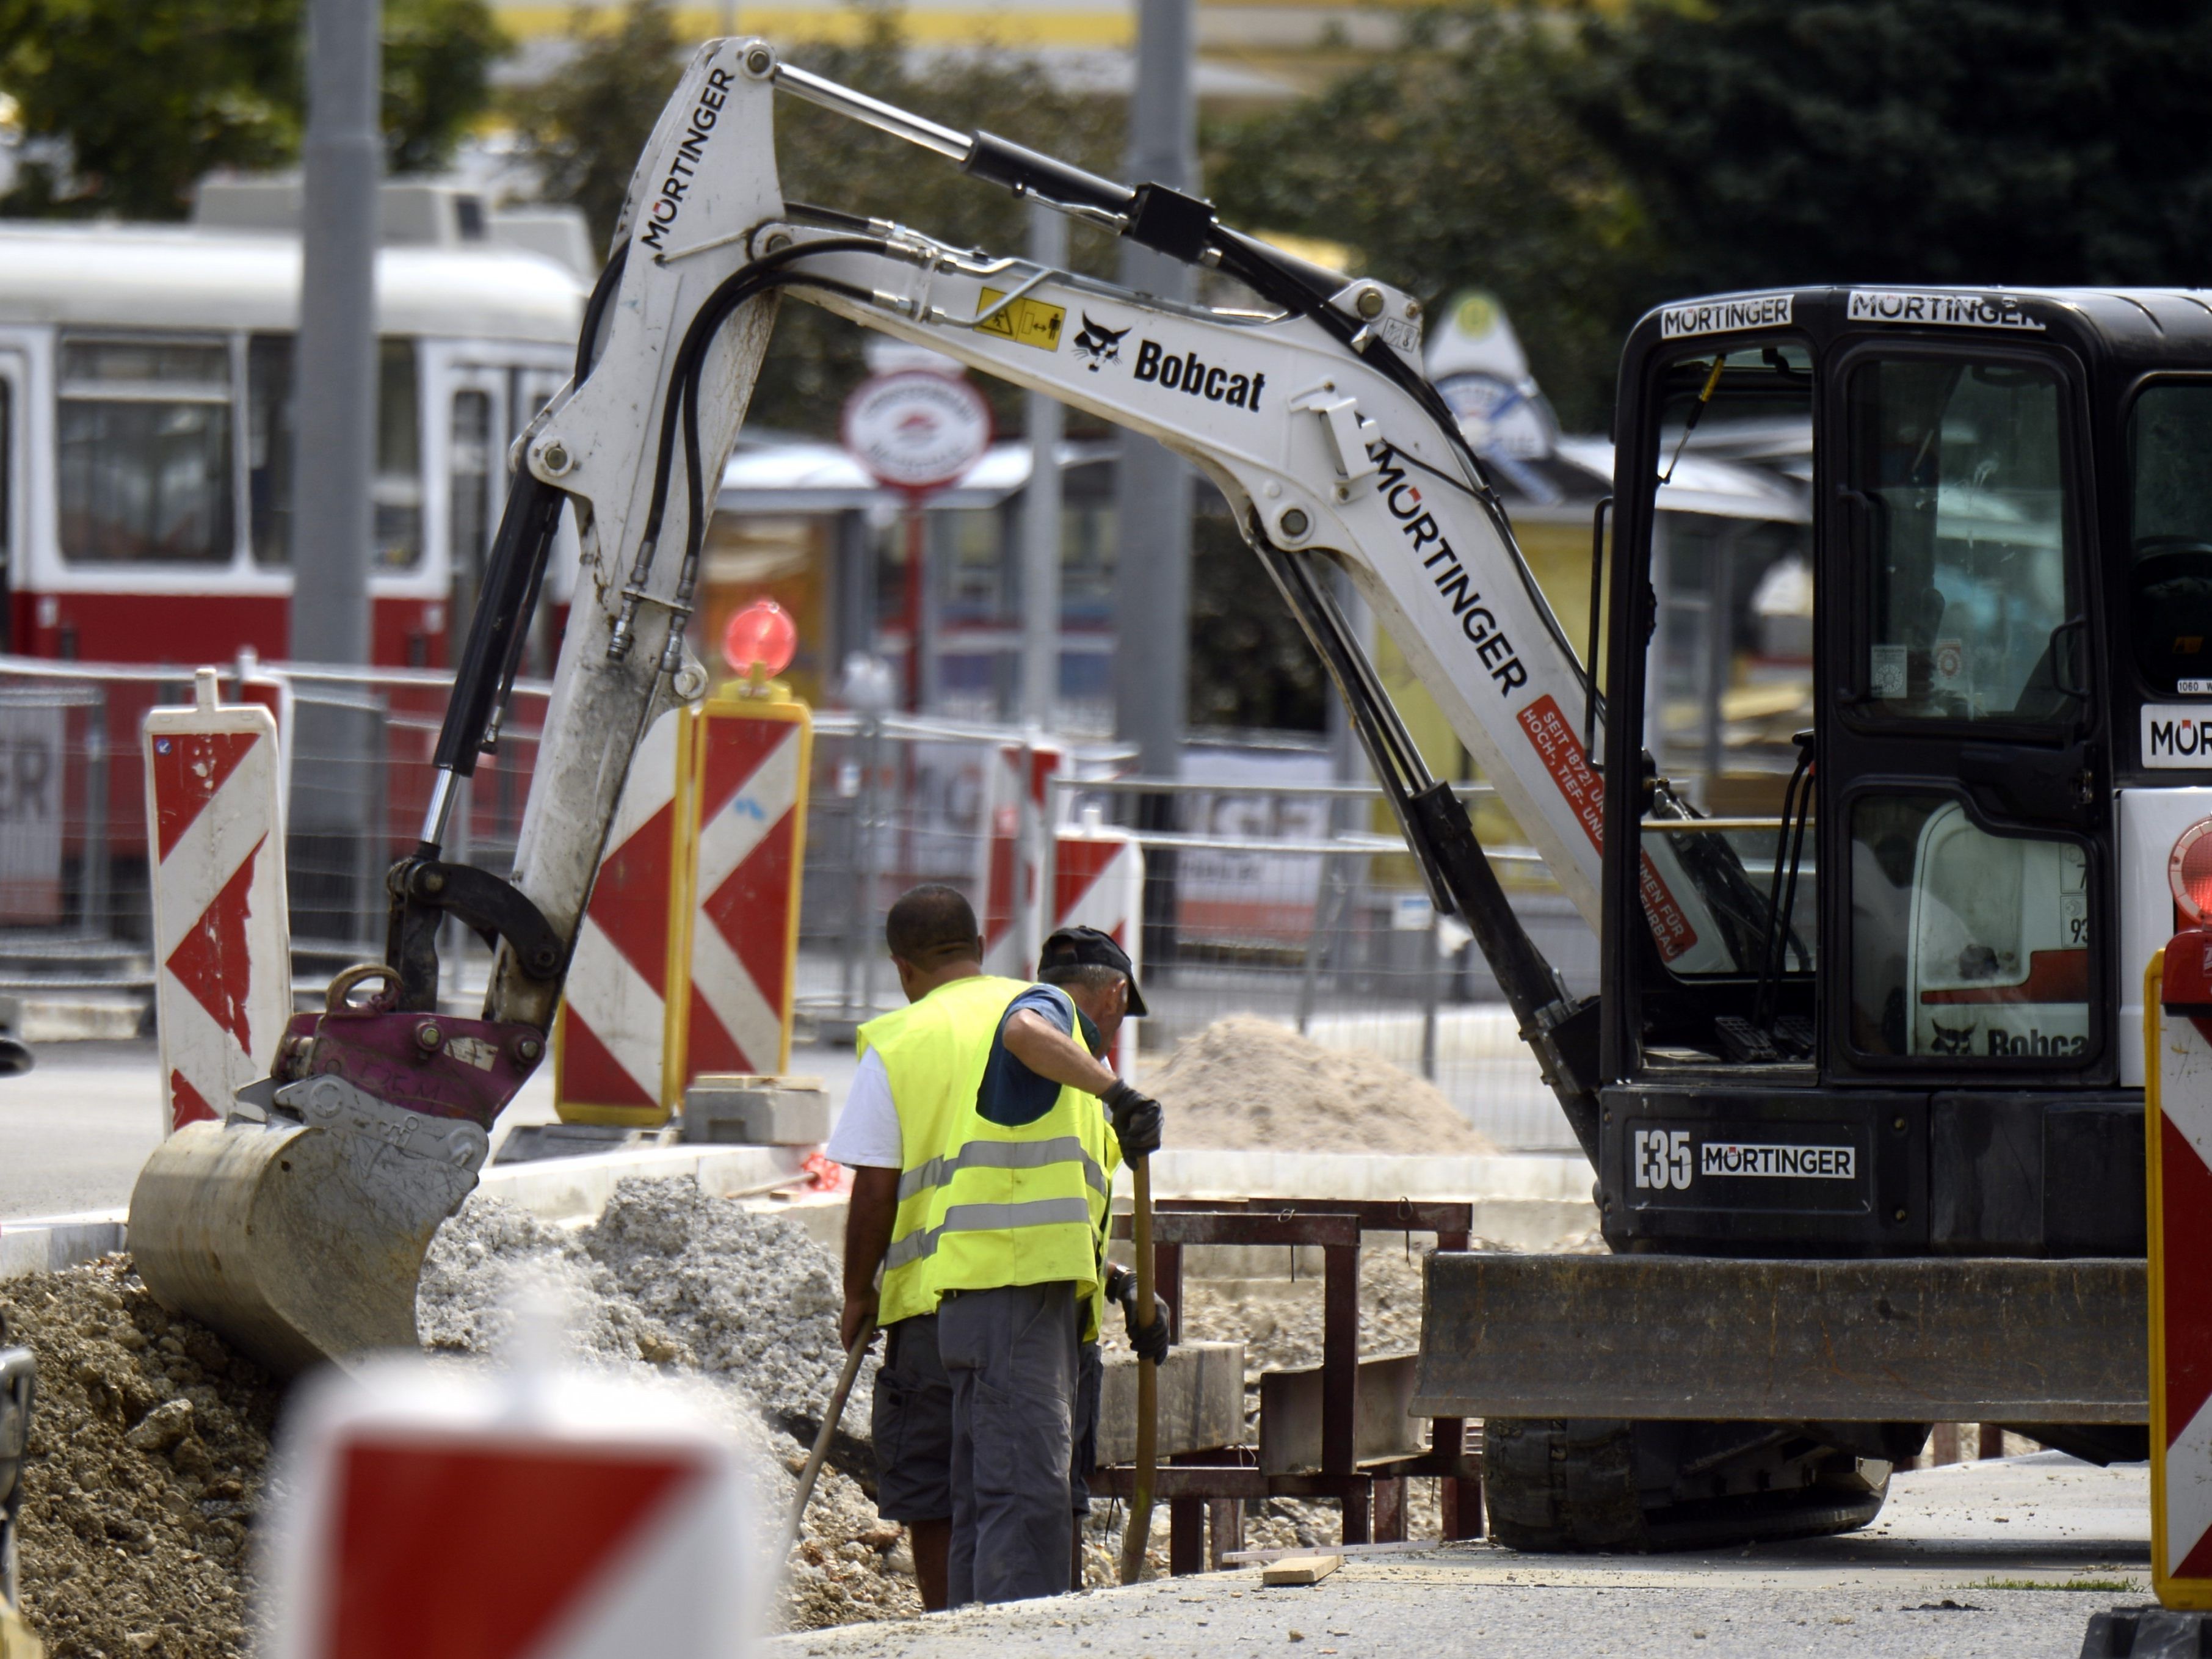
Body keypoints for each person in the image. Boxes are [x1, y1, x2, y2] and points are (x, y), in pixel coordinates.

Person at [929, 923, 1168, 1607]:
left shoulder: (1067, 1091)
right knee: (1028, 1503)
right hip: (1012, 1304)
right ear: (1116, 993)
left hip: (1002, 1303)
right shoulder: (1049, 1014)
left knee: (990, 1505)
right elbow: (1023, 1029)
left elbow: (1058, 1220)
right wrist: (1117, 1091)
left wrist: (1123, 1288)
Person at [828, 884, 1028, 1612]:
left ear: (902, 966)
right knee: (1023, 1480)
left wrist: (857, 1292)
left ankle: (949, 1629)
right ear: (978, 950)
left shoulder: (903, 1039)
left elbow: (875, 1187)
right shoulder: (1043, 1013)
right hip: (1039, 1292)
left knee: (935, 1483)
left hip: (932, 1307)